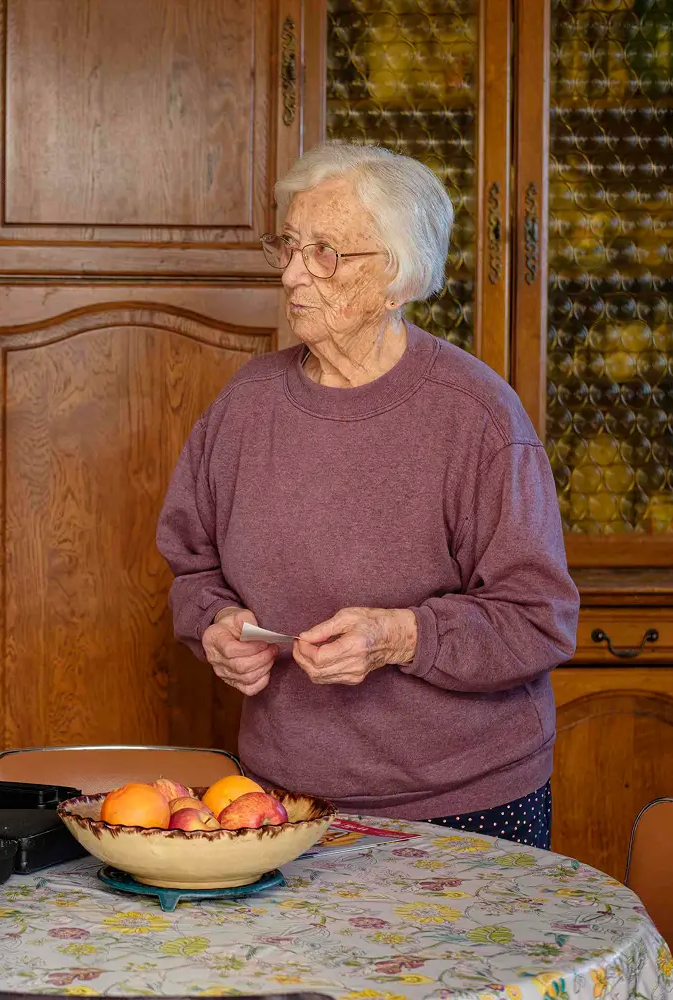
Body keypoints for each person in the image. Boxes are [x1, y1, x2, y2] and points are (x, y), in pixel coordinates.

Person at [156, 141, 579, 849]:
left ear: (399, 278)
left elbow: (538, 619)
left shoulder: (476, 417)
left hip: (463, 803)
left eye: (326, 252)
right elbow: (192, 571)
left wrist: (398, 638)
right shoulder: (244, 407)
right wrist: (215, 628)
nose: (292, 274)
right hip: (283, 799)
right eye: (288, 245)